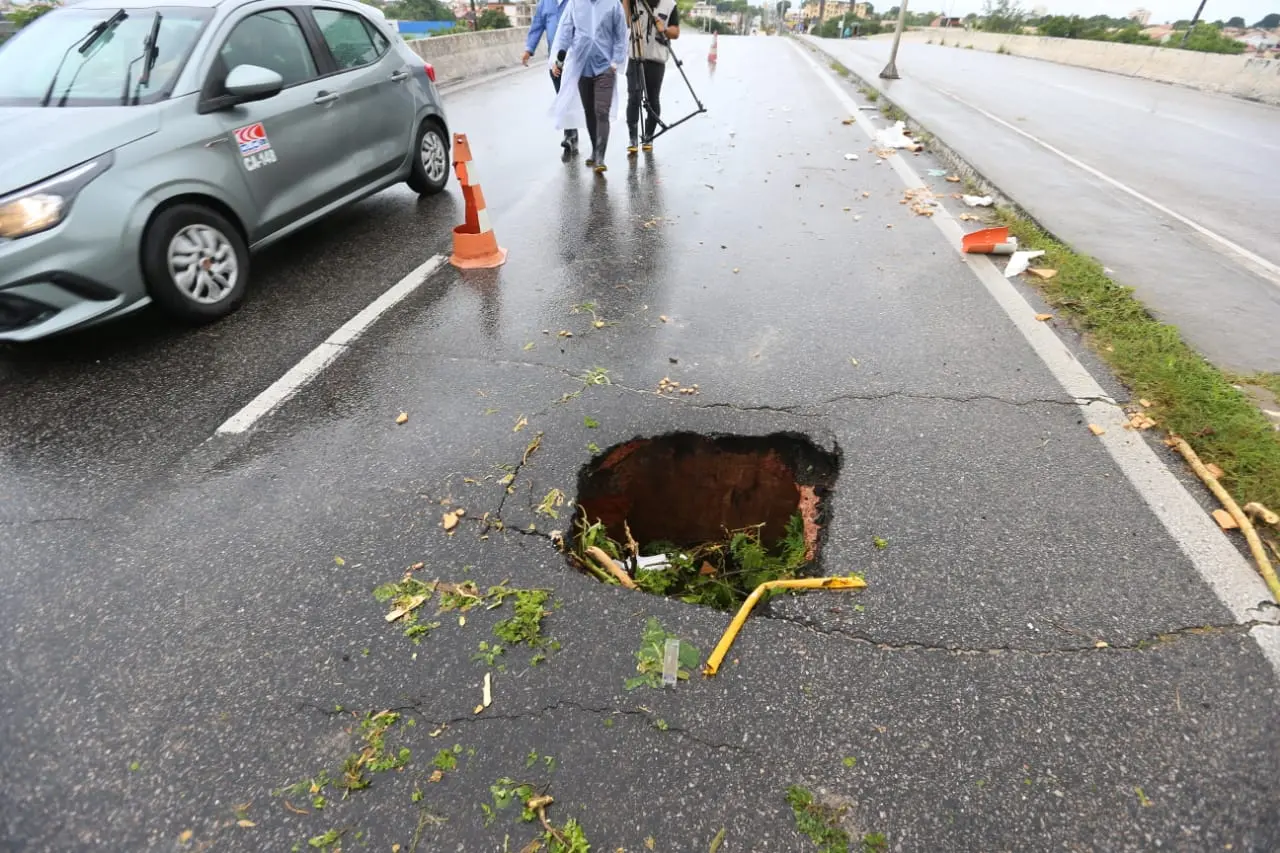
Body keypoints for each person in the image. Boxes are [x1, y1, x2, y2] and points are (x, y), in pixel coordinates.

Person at [550, 0, 628, 173]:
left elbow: (620, 35)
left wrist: (616, 61)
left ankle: (600, 156)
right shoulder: (575, 4)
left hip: (605, 68)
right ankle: (594, 149)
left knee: (602, 111)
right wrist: (559, 60)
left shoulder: (613, 4)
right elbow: (565, 32)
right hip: (582, 66)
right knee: (590, 112)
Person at [623, 0, 679, 154]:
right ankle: (633, 138)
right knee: (634, 97)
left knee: (653, 99)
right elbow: (626, 23)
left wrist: (665, 30)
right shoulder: (634, 2)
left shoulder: (670, 5)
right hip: (636, 56)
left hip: (656, 60)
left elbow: (676, 32)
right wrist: (626, 3)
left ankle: (649, 136)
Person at [523, 0, 578, 153]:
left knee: (569, 96)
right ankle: (571, 131)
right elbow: (537, 26)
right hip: (555, 59)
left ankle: (570, 133)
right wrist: (529, 49)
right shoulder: (545, 3)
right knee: (561, 95)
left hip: (573, 57)